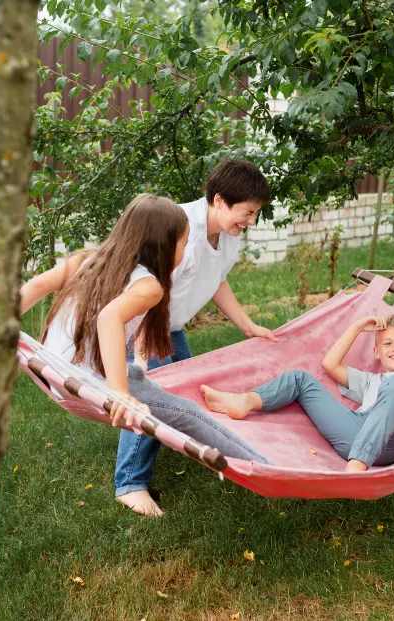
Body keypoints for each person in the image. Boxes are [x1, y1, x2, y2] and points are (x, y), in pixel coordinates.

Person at [19, 194, 269, 512]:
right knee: (190, 413)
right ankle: (267, 467)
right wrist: (122, 395)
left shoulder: (87, 261)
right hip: (93, 384)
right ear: (163, 246)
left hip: (56, 375)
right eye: (184, 243)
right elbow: (109, 318)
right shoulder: (149, 286)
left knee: (158, 381)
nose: (185, 251)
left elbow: (37, 287)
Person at [117, 160, 275, 516]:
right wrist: (142, 354)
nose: (250, 221)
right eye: (247, 213)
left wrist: (248, 326)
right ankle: (129, 483)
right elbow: (148, 291)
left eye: (254, 214)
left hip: (169, 326)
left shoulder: (228, 235)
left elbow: (217, 279)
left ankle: (186, 445)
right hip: (144, 323)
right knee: (155, 398)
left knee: (189, 391)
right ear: (219, 200)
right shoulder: (180, 230)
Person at [200, 315, 394, 471]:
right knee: (299, 378)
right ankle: (246, 401)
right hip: (356, 431)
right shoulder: (370, 380)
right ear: (376, 352)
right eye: (388, 344)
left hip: (392, 441)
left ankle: (356, 467)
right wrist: (356, 327)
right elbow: (330, 365)